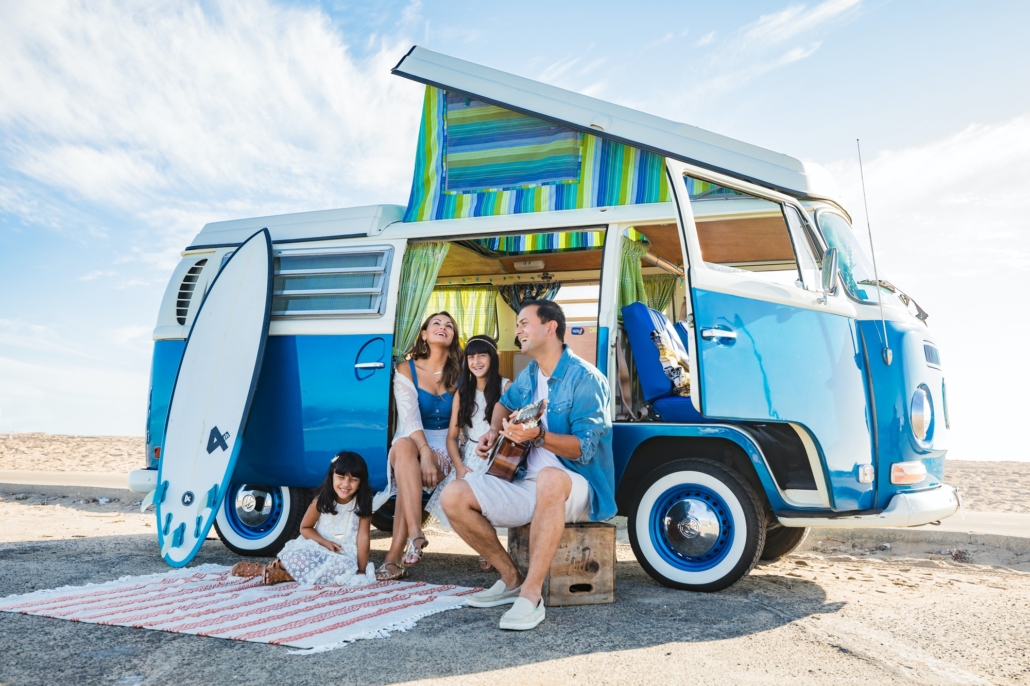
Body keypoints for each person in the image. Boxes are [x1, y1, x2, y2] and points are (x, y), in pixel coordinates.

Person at [440, 300, 615, 631]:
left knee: (550, 476)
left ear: (550, 328)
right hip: (523, 483)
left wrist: (537, 436)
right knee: (454, 495)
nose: (517, 330)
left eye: (523, 323)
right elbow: (503, 405)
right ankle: (511, 580)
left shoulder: (586, 378)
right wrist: (494, 430)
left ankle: (531, 596)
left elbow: (585, 449)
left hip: (574, 484)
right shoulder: (530, 373)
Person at [375, 312, 463, 580]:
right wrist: (425, 452)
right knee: (403, 450)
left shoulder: (462, 372)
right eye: (436, 323)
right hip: (414, 437)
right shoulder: (406, 369)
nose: (443, 327)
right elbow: (410, 419)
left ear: (452, 337)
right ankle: (415, 532)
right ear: (424, 334)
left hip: (448, 442)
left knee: (406, 473)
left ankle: (395, 555)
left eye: (449, 325)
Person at [230, 451, 375, 586]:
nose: (346, 484)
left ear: (360, 483)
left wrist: (361, 570)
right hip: (318, 547)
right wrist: (324, 543)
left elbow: (363, 538)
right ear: (332, 476)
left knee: (347, 567)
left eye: (353, 479)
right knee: (299, 557)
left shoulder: (362, 505)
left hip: (343, 555)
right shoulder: (320, 501)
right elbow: (305, 528)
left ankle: (285, 576)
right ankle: (265, 568)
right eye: (341, 477)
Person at [426, 335, 510, 542]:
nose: (476, 362)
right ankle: (484, 543)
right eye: (471, 357)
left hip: (500, 455)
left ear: (493, 357)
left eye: (482, 356)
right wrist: (459, 466)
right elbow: (452, 437)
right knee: (467, 504)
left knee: (494, 503)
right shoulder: (463, 393)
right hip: (470, 457)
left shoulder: (506, 387)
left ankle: (493, 545)